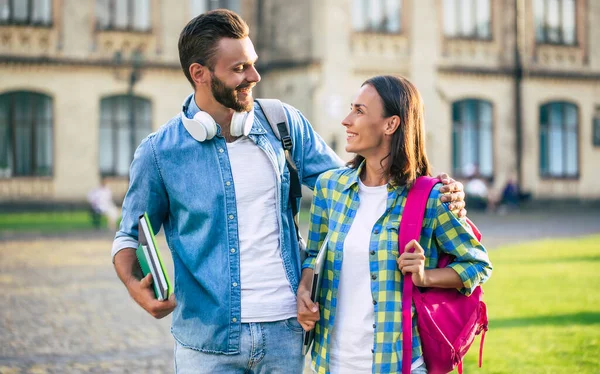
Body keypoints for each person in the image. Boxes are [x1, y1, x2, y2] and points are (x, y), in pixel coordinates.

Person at [111, 11, 468, 374]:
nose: (254, 77)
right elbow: (128, 234)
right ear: (199, 74)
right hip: (207, 343)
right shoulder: (159, 153)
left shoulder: (283, 123)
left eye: (253, 64)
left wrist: (428, 186)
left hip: (285, 333)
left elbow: (353, 185)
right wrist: (133, 285)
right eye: (239, 69)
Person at [297, 75, 492, 374]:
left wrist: (426, 277)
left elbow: (478, 264)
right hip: (330, 363)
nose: (346, 121)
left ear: (391, 124)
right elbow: (314, 256)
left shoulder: (431, 197)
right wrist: (305, 293)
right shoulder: (329, 187)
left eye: (359, 111)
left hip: (398, 365)